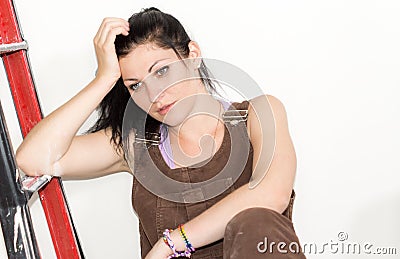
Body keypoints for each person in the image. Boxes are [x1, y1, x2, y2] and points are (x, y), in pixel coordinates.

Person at [16, 7, 306, 259]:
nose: (154, 94)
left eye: (161, 71)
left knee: (256, 222)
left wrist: (170, 244)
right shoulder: (135, 146)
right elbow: (33, 159)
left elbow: (271, 193)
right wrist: (105, 78)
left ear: (192, 55)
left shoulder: (258, 113)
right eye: (135, 85)